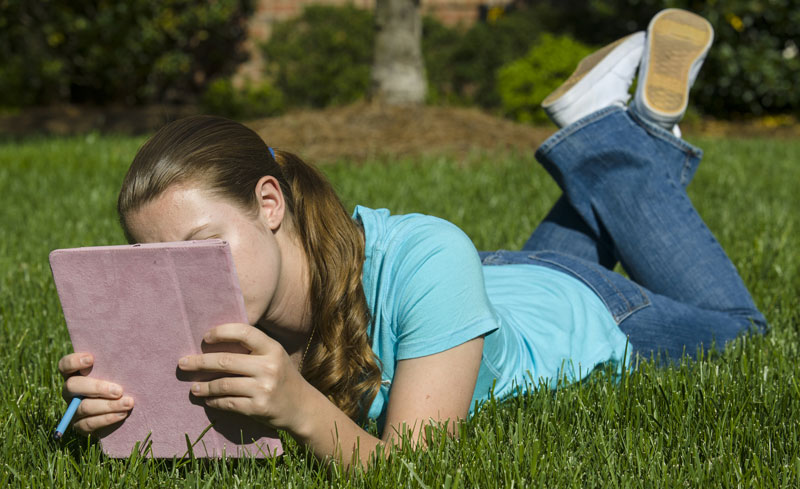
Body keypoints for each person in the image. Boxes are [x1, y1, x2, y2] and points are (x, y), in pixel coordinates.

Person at [57, 9, 766, 468]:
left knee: (745, 331)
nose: (182, 281)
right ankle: (615, 141)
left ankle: (607, 139)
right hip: (483, 293)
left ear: (268, 202)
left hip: (583, 310)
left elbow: (418, 468)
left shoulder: (426, 256)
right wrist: (114, 416)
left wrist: (300, 409)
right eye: (156, 265)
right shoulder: (236, 297)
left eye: (201, 244)